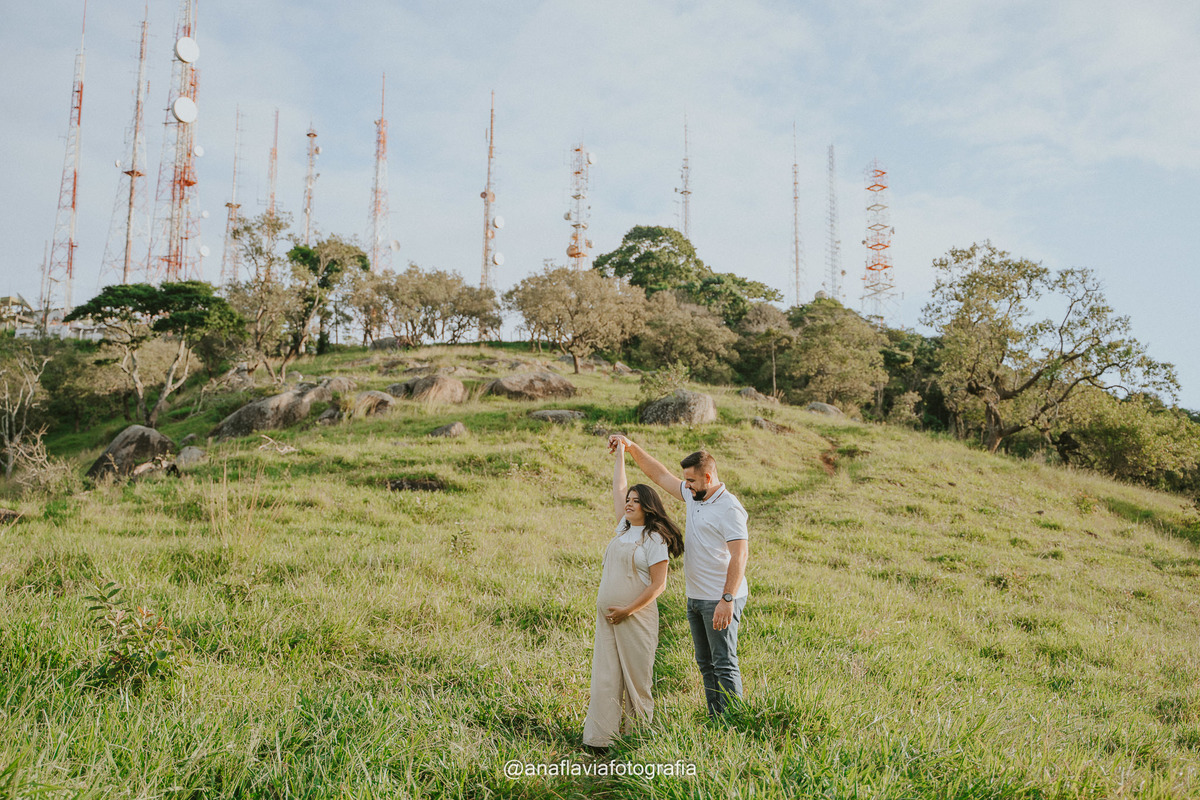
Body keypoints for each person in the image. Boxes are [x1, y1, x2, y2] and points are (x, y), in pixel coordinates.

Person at [608, 435, 749, 718]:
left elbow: (740, 556)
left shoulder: (730, 508)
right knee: (705, 662)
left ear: (707, 477)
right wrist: (631, 446)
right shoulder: (695, 495)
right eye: (685, 480)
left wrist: (727, 599)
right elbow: (660, 475)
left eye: (691, 481)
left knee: (723, 662)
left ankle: (735, 722)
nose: (685, 485)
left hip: (719, 598)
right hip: (695, 597)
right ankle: (716, 717)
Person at [582, 438, 684, 750]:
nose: (628, 503)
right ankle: (601, 739)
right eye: (628, 499)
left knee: (637, 682)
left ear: (648, 506)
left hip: (636, 618)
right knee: (606, 677)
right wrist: (621, 455)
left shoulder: (655, 538)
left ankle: (637, 742)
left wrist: (627, 610)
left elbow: (658, 585)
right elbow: (618, 486)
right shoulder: (623, 529)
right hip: (608, 620)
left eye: (636, 500)